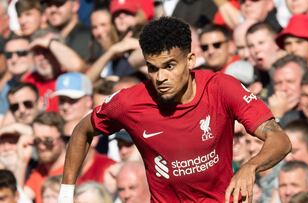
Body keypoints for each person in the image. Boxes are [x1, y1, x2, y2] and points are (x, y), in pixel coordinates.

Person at [59, 17, 291, 203]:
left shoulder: (221, 88)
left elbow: (279, 138)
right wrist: (66, 195)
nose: (160, 77)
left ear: (190, 60)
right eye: (153, 68)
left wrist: (250, 166)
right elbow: (82, 131)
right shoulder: (130, 103)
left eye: (169, 66)